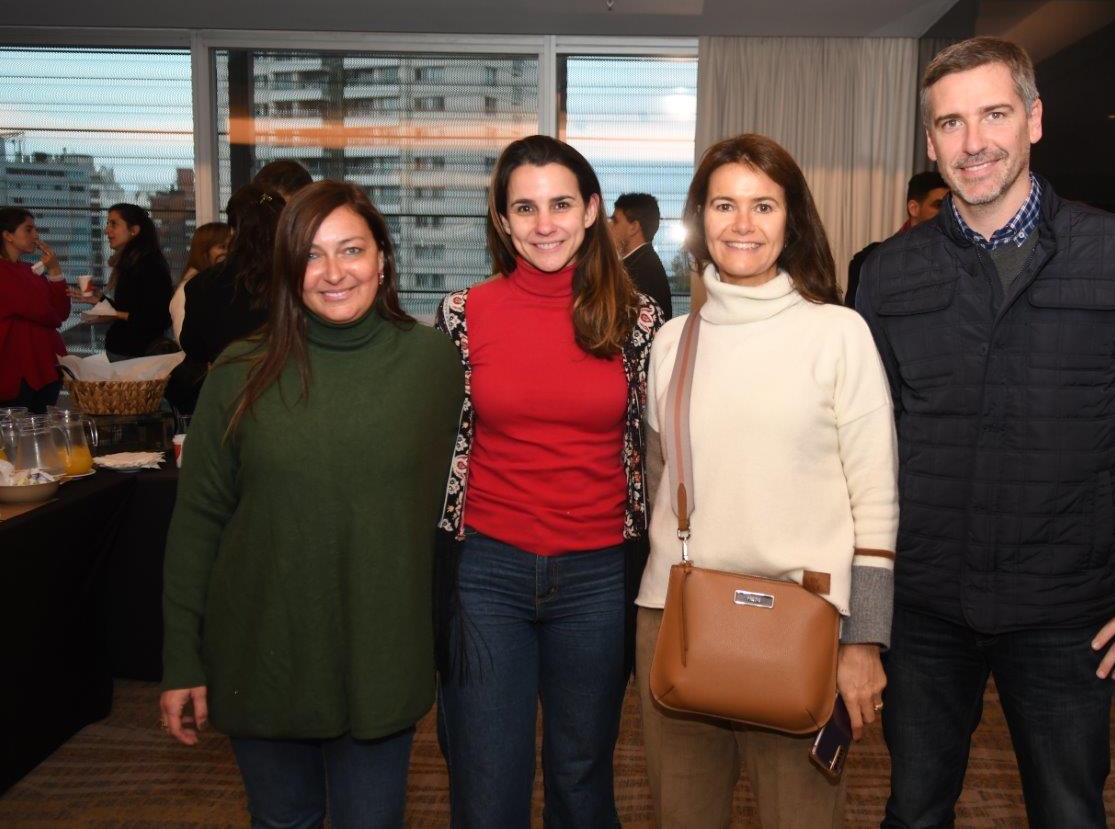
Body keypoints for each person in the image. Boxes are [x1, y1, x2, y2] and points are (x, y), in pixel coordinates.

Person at [854, 37, 1115, 828]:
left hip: (1068, 614)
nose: (973, 142)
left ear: (1033, 120)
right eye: (950, 123)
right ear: (929, 142)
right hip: (925, 610)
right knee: (914, 809)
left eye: (993, 114)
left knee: (1068, 811)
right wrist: (864, 614)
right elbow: (862, 453)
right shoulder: (890, 273)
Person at [160, 179, 464, 828]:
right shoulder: (239, 372)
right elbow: (198, 525)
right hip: (262, 653)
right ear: (286, 267)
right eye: (312, 254)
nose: (333, 273)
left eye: (351, 249)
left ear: (381, 258)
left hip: (379, 657)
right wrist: (182, 658)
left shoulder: (433, 362)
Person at [635, 133, 899, 827]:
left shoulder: (838, 334)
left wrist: (863, 639)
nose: (743, 224)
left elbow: (877, 505)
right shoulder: (671, 343)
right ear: (699, 220)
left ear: (792, 221)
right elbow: (661, 475)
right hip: (677, 619)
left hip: (804, 627)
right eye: (724, 204)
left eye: (764, 205)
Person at [433, 135, 661, 827]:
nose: (544, 224)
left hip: (598, 576)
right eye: (524, 207)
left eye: (561, 203)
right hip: (486, 572)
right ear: (502, 221)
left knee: (582, 773)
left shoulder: (638, 320)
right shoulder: (461, 316)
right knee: (487, 778)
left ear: (592, 209)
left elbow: (666, 445)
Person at [166, 185, 284, 415]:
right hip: (290, 395)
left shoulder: (202, 285)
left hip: (230, 400)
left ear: (232, 231)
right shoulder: (301, 277)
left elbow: (194, 347)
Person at [79, 203, 174, 360]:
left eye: (113, 224)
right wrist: (101, 300)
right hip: (127, 354)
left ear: (134, 231)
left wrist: (113, 313)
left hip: (137, 357)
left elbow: (156, 318)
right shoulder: (132, 263)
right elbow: (131, 309)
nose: (106, 230)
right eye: (107, 223)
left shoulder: (149, 266)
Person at [842, 171, 948, 308]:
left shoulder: (958, 259)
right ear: (914, 208)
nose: (946, 212)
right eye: (939, 205)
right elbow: (857, 322)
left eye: (950, 206)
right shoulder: (870, 260)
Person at [0, 207, 70, 413]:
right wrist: (52, 315)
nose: (35, 235)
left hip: (45, 368)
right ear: (8, 235)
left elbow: (61, 312)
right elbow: (43, 311)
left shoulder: (28, 271)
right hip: (14, 369)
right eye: (28, 230)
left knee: (41, 434)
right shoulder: (4, 273)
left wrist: (55, 270)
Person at [609, 192, 673, 319]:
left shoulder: (640, 273)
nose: (610, 226)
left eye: (615, 221)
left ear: (633, 227)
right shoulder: (643, 263)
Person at [169, 222, 232, 341]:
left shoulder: (220, 282)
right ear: (203, 250)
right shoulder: (188, 288)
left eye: (232, 247)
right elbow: (183, 338)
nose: (229, 252)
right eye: (222, 247)